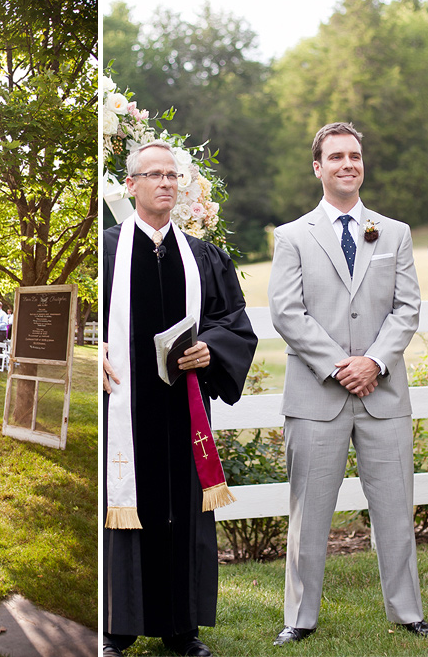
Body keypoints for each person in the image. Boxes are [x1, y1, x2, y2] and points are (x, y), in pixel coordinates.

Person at [267, 122, 428, 645]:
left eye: (355, 156)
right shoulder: (293, 235)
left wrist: (375, 363)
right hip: (318, 395)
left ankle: (408, 612)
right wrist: (342, 365)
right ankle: (299, 617)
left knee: (394, 507)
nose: (348, 164)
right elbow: (286, 312)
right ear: (318, 167)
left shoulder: (395, 233)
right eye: (336, 156)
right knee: (308, 514)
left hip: (383, 394)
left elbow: (407, 308)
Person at [102, 140, 256, 657]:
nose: (166, 183)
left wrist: (211, 349)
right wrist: (91, 351)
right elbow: (74, 320)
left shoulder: (203, 257)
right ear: (132, 185)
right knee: (127, 503)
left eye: (173, 175)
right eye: (154, 174)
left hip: (183, 413)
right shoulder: (107, 252)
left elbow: (233, 322)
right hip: (123, 410)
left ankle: (180, 627)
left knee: (182, 511)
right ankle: (116, 629)